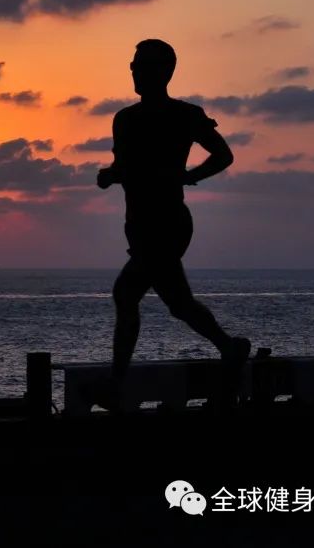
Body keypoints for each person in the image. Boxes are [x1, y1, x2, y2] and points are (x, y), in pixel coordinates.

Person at [93, 39, 250, 410]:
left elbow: (223, 155)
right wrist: (110, 176)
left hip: (169, 223)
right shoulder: (125, 119)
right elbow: (128, 167)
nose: (133, 70)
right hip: (140, 224)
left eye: (141, 65)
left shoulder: (186, 115)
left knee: (126, 292)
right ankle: (230, 346)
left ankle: (116, 383)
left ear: (163, 72)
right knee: (178, 303)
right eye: (132, 64)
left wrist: (187, 178)